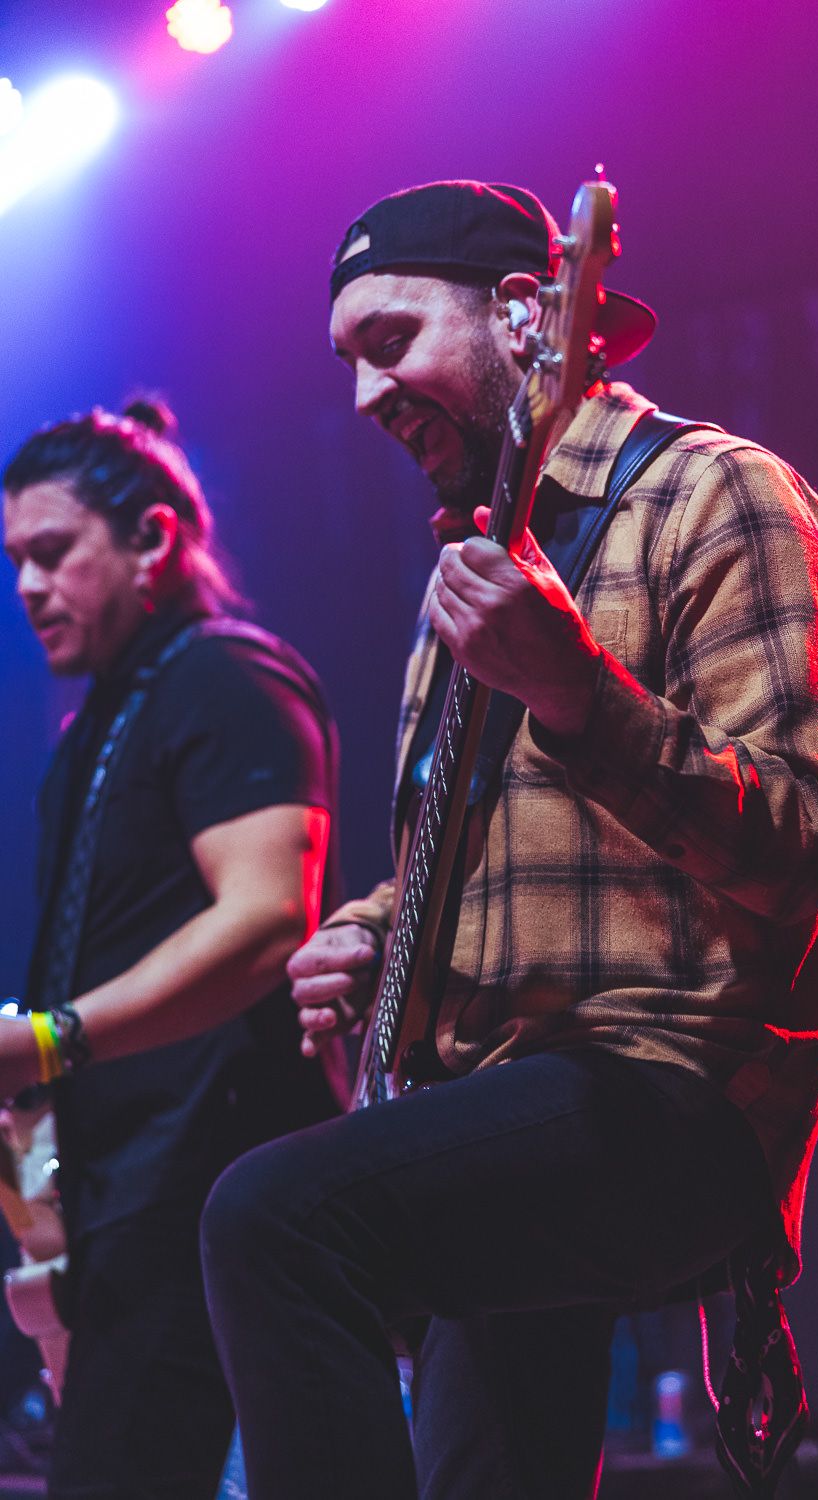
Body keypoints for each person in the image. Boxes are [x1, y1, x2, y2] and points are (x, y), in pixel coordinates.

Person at [201, 181, 818, 1500]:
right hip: (493, 1106)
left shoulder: (714, 493)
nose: (364, 397)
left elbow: (797, 841)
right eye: (346, 363)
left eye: (391, 341)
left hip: (672, 1091)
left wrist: (576, 692)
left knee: (273, 1218)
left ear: (525, 315)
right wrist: (367, 934)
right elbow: (473, 858)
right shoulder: (475, 566)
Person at [0, 399, 345, 1500]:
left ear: (152, 539)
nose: (26, 587)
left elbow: (266, 920)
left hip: (209, 1199)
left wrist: (49, 1040)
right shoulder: (106, 717)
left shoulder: (223, 677)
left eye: (52, 552)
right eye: (15, 562)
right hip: (131, 1214)